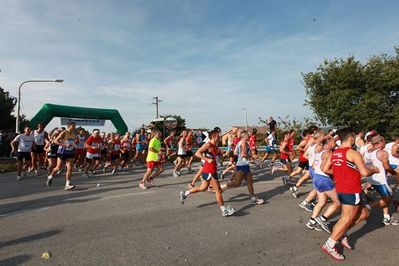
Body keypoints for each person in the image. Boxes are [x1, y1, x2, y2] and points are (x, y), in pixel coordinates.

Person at [320, 127, 379, 261]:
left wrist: (342, 173)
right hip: (350, 190)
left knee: (364, 213)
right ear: (351, 139)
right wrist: (374, 170)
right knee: (346, 218)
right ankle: (330, 244)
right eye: (354, 138)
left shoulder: (335, 153)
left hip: (343, 189)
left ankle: (342, 233)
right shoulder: (353, 153)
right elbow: (364, 172)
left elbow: (325, 169)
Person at [179, 130, 235, 217]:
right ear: (213, 136)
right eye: (218, 136)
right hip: (209, 171)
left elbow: (218, 158)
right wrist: (206, 159)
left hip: (209, 170)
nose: (220, 137)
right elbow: (197, 153)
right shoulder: (208, 144)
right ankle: (224, 210)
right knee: (218, 190)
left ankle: (185, 193)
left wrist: (224, 154)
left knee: (203, 188)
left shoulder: (215, 147)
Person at [305, 136, 341, 233]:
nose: (335, 142)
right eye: (334, 141)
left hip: (317, 177)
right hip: (324, 179)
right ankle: (323, 219)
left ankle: (312, 221)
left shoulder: (320, 151)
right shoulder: (328, 153)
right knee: (338, 202)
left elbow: (316, 166)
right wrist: (339, 172)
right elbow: (324, 168)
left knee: (322, 202)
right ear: (328, 144)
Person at [220, 130, 264, 205]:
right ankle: (222, 186)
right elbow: (243, 155)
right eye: (248, 135)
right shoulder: (243, 143)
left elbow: (236, 153)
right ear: (244, 136)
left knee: (250, 181)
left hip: (244, 165)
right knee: (237, 183)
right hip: (241, 165)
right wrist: (252, 156)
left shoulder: (241, 143)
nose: (249, 135)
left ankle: (253, 198)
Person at [363, 135, 398, 225]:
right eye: (384, 141)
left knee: (384, 197)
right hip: (381, 180)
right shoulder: (382, 153)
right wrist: (395, 173)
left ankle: (386, 217)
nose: (385, 143)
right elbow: (386, 167)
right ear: (380, 142)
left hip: (372, 179)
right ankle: (367, 207)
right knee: (388, 198)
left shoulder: (367, 152)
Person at [47, 122, 77, 190]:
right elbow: (55, 141)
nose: (74, 127)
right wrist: (65, 145)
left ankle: (67, 184)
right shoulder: (64, 132)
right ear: (69, 126)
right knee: (58, 168)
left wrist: (74, 145)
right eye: (73, 126)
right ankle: (50, 176)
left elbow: (72, 142)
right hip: (62, 152)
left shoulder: (74, 134)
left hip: (70, 152)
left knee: (70, 168)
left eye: (75, 126)